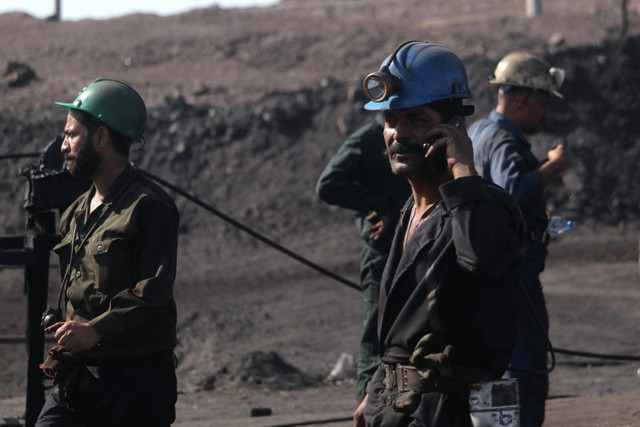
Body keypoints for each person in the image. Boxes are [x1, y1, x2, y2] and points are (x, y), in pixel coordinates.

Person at [353, 41, 526, 427]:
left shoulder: (487, 207)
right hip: (398, 408)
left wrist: (464, 170)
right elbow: (400, 334)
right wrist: (375, 393)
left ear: (453, 128)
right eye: (390, 121)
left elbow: (481, 257)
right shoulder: (409, 212)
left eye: (416, 120)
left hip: (450, 413)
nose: (398, 134)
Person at [36, 78, 180, 426]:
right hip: (79, 380)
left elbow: (153, 291)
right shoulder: (76, 213)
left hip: (134, 387)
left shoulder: (149, 206)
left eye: (72, 134)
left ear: (101, 137)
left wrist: (96, 330)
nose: (63, 146)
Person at [468, 52, 569, 427]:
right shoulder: (504, 141)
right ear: (524, 100)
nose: (544, 114)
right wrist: (553, 167)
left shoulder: (478, 133)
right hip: (515, 273)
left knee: (492, 366)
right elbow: (512, 189)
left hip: (487, 266)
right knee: (524, 369)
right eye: (542, 103)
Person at [316, 114, 411, 403]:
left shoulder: (424, 134)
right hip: (384, 256)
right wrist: (377, 204)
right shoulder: (371, 138)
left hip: (420, 250)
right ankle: (367, 412)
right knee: (377, 343)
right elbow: (328, 184)